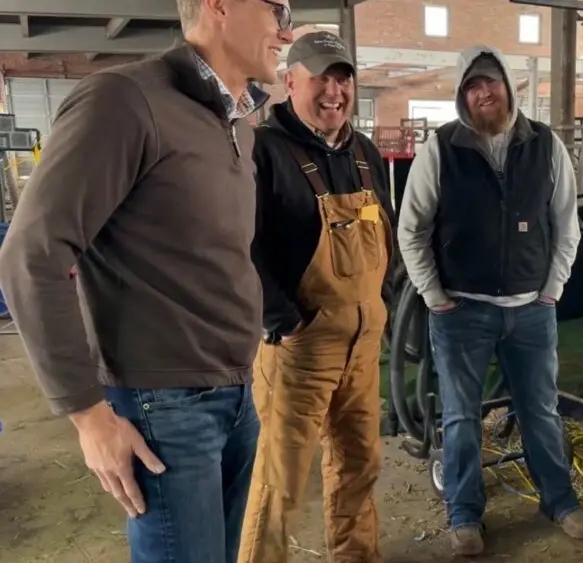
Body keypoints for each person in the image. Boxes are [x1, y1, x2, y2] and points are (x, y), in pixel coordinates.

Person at [0, 1, 293, 561]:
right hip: (165, 406)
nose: (285, 27)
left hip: (234, 393)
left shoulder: (237, 124)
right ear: (220, 5)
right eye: (275, 6)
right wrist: (87, 414)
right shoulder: (125, 101)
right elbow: (32, 253)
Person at [398, 45, 583, 556]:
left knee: (541, 411)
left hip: (531, 310)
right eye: (472, 86)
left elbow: (566, 225)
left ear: (509, 85)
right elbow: (411, 230)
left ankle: (558, 499)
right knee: (461, 418)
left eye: (491, 81)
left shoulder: (547, 146)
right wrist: (434, 296)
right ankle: (464, 514)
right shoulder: (440, 149)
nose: (483, 92)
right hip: (462, 311)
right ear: (463, 96)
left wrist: (552, 291)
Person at [236, 31, 395, 563]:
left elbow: (385, 230)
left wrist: (381, 301)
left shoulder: (364, 152)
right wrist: (283, 320)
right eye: (321, 78)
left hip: (363, 346)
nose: (334, 91)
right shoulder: (261, 150)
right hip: (301, 350)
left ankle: (357, 556)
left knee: (359, 465)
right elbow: (240, 247)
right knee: (280, 484)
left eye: (343, 78)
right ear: (289, 81)